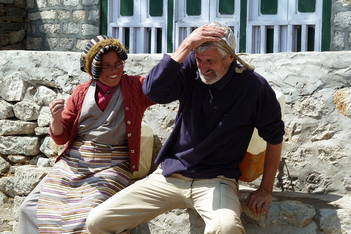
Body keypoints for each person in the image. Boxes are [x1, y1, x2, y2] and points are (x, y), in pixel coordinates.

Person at [86, 23, 285, 234]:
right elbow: (153, 91)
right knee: (98, 222)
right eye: (199, 59)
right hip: (170, 175)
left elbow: (275, 137)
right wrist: (186, 46)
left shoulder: (254, 87)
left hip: (216, 180)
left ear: (230, 57)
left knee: (225, 228)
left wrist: (265, 189)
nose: (204, 67)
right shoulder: (191, 69)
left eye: (210, 61)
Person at [18, 35, 154, 234]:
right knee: (29, 208)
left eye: (118, 64)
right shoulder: (81, 92)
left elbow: (160, 84)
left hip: (113, 163)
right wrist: (55, 119)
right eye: (106, 66)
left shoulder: (135, 87)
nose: (114, 70)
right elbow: (61, 136)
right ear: (94, 68)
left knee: (91, 214)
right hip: (74, 162)